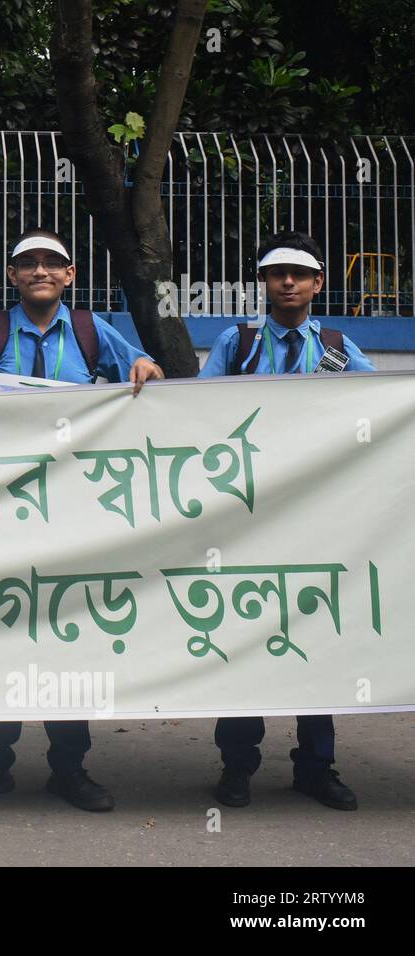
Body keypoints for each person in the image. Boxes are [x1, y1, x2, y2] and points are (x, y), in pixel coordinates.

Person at [0, 227, 163, 814]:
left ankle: (70, 767)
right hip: (4, 513)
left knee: (69, 638)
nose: (39, 271)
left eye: (51, 263)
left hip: (72, 512)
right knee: (3, 632)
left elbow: (141, 369)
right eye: (27, 263)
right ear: (12, 275)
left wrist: (145, 367)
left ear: (70, 275)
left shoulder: (91, 329)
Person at [198, 229, 373, 811]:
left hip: (317, 519)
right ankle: (237, 766)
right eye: (278, 274)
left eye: (300, 274)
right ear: (265, 284)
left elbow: (382, 409)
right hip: (246, 518)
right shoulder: (237, 342)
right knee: (243, 635)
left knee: (315, 637)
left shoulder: (341, 349)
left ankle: (316, 766)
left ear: (318, 283)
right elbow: (195, 417)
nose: (289, 283)